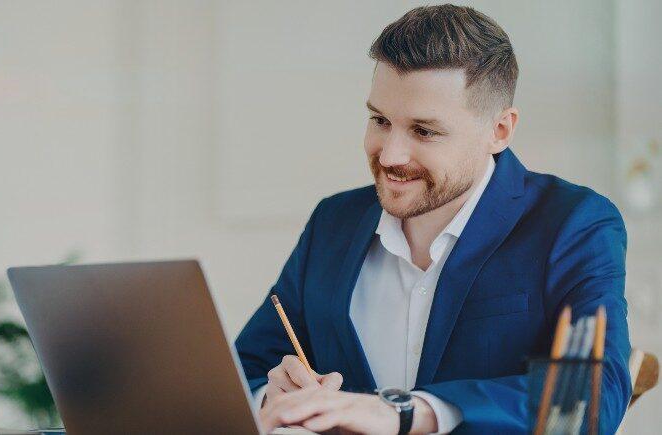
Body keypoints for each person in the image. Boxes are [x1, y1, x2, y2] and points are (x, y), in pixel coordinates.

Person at [234, 4, 631, 434]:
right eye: (380, 121)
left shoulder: (574, 223)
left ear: (500, 130)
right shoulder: (334, 221)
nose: (389, 155)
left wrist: (404, 413)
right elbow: (245, 372)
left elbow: (593, 396)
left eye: (424, 131)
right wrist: (272, 398)